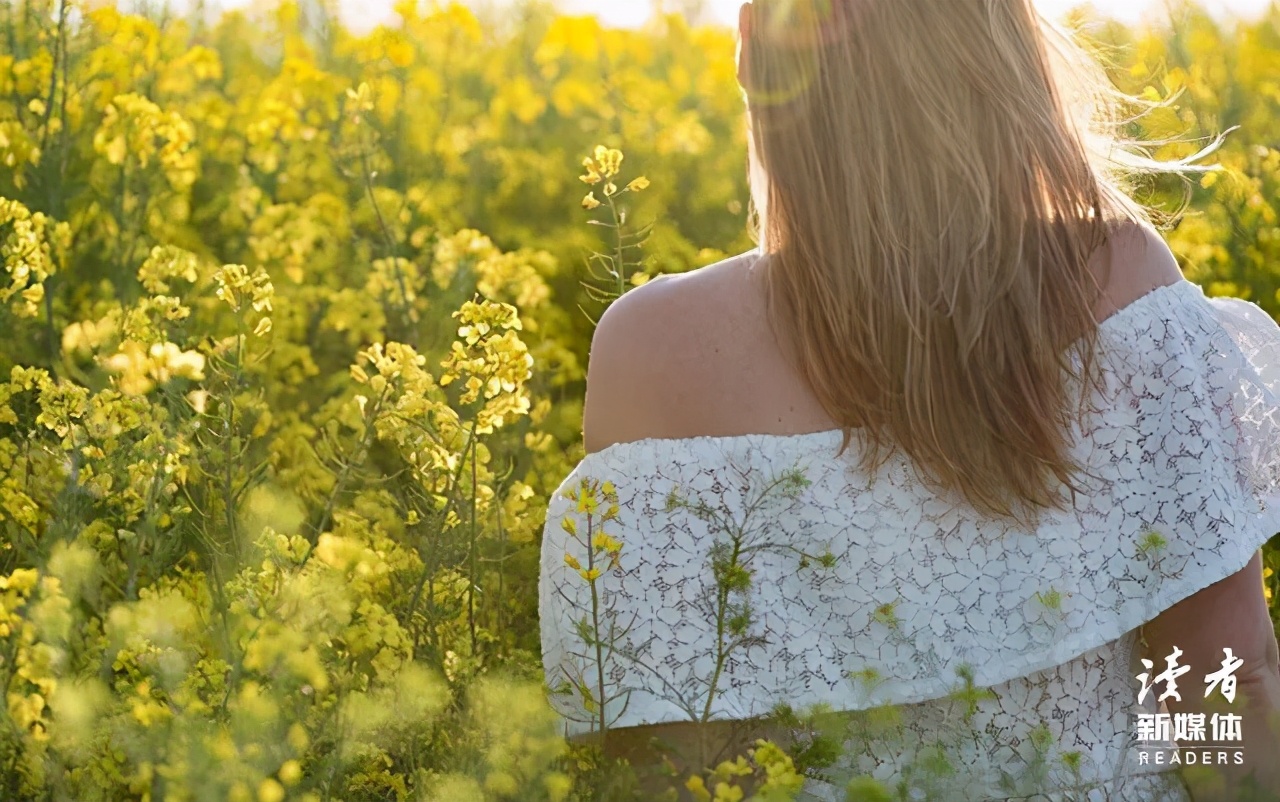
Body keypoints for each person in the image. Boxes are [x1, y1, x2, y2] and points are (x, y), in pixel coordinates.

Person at [539, 1, 1280, 799]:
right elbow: (1218, 693)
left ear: (752, 49)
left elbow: (672, 770)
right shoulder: (1114, 279)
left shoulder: (654, 352)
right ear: (998, 46)